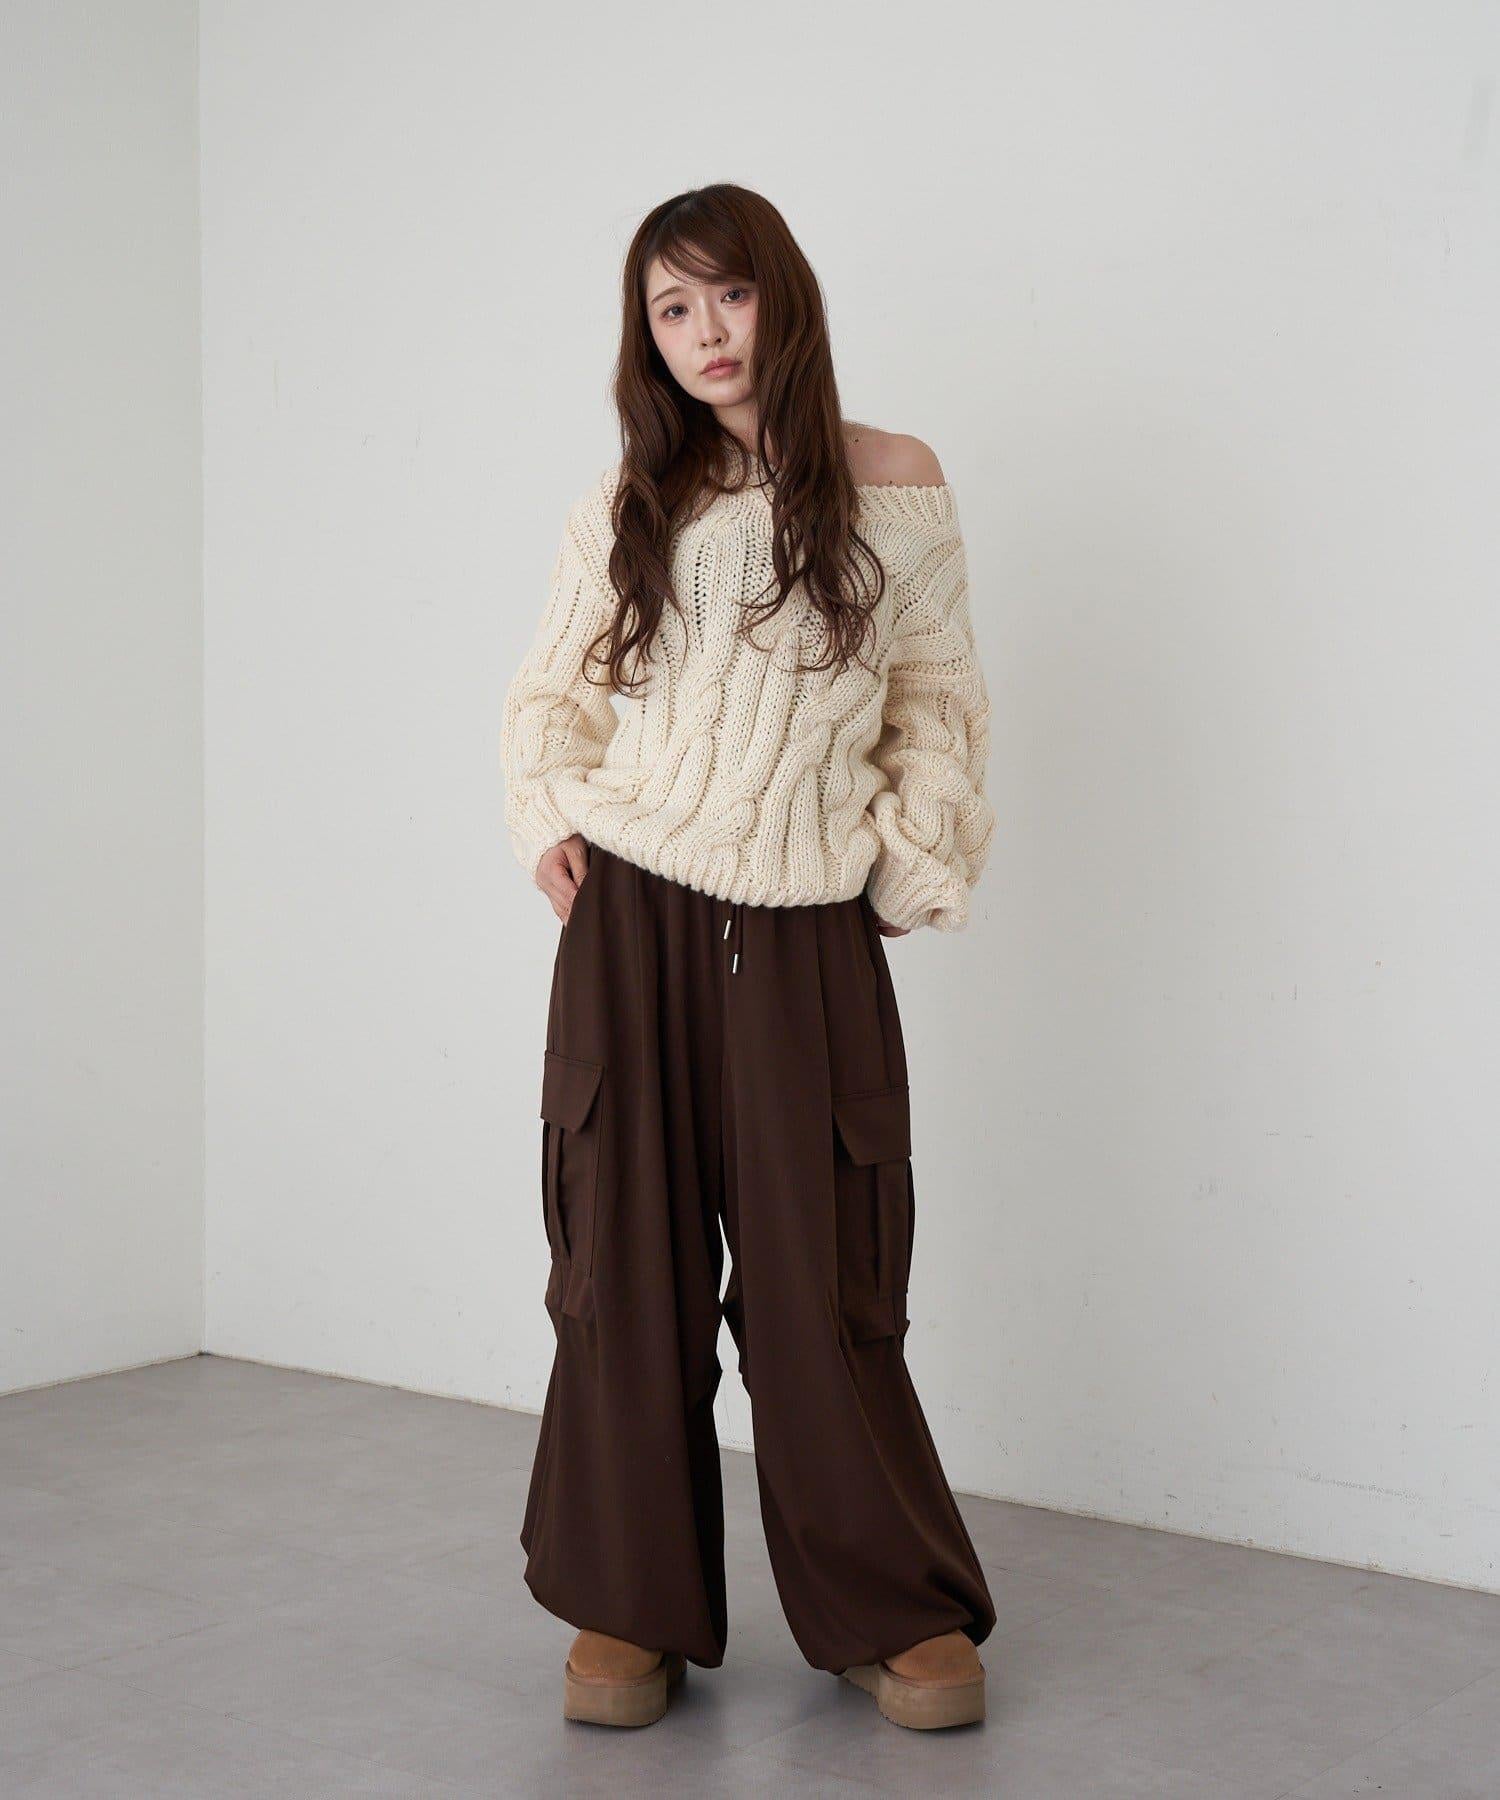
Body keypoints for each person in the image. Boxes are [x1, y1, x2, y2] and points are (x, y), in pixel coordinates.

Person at [499, 183, 998, 1733]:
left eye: (729, 294)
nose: (706, 332)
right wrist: (545, 817)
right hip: (634, 919)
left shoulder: (894, 481)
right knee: (623, 1269)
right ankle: (627, 1602)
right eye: (672, 308)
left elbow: (940, 707)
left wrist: (909, 863)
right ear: (645, 336)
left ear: (783, 296)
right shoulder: (631, 500)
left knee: (825, 1273)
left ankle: (888, 1608)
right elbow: (548, 700)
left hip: (807, 932)